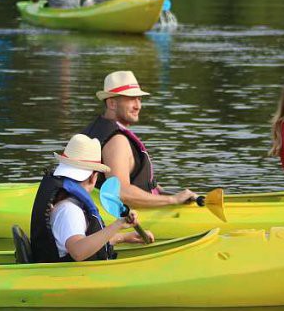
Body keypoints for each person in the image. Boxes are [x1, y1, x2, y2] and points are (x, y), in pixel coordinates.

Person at [30, 134, 154, 263]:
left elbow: (84, 240)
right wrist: (118, 224)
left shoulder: (67, 204)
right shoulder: (69, 210)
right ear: (93, 177)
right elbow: (78, 252)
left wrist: (122, 238)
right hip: (72, 278)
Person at [82, 70, 198, 209]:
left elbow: (137, 178)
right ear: (112, 103)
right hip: (129, 215)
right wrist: (172, 200)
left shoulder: (96, 128)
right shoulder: (117, 141)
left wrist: (165, 193)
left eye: (139, 99)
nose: (138, 106)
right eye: (131, 99)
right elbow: (120, 191)